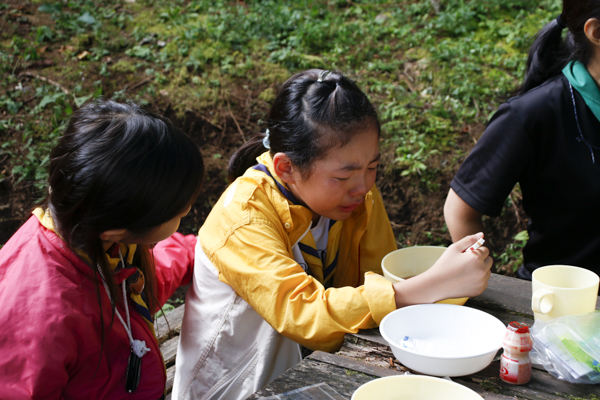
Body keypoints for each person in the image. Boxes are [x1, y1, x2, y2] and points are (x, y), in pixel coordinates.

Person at [172, 69, 492, 400]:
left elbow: (374, 275)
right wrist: (432, 284)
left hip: (310, 372)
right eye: (343, 175)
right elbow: (306, 313)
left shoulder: (357, 196)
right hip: (236, 386)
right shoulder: (242, 219)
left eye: (372, 167)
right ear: (286, 168)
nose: (364, 185)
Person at [0, 99, 204, 399]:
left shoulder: (94, 236)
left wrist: (197, 250)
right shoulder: (39, 320)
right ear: (117, 230)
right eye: (179, 213)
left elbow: (135, 288)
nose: (187, 210)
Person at [444, 1, 600, 280]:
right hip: (560, 310)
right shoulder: (533, 114)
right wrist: (494, 288)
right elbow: (460, 211)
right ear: (596, 32)